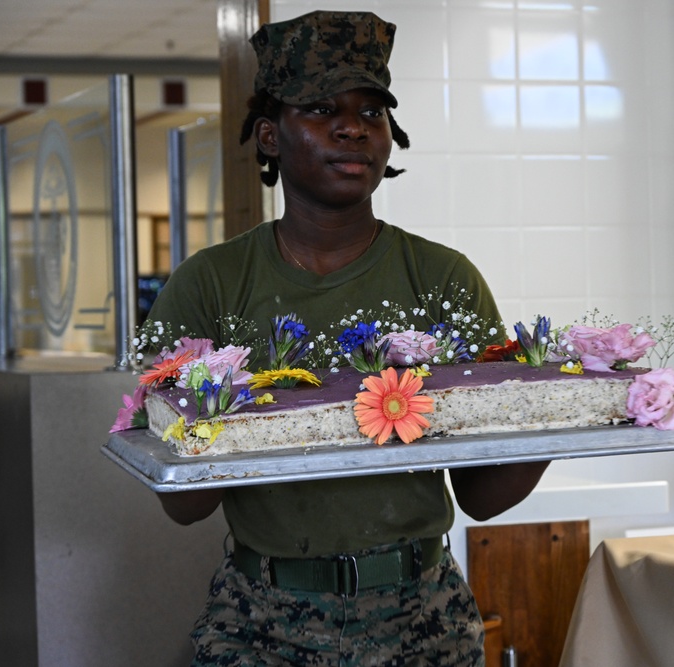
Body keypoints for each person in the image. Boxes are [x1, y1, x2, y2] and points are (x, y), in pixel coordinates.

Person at [146, 10, 549, 666]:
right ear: (270, 136)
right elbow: (183, 505)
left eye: (371, 110)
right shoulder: (211, 286)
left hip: (421, 618)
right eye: (322, 108)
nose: (353, 126)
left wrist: (563, 412)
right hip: (261, 622)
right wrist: (219, 411)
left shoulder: (442, 279)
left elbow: (479, 493)